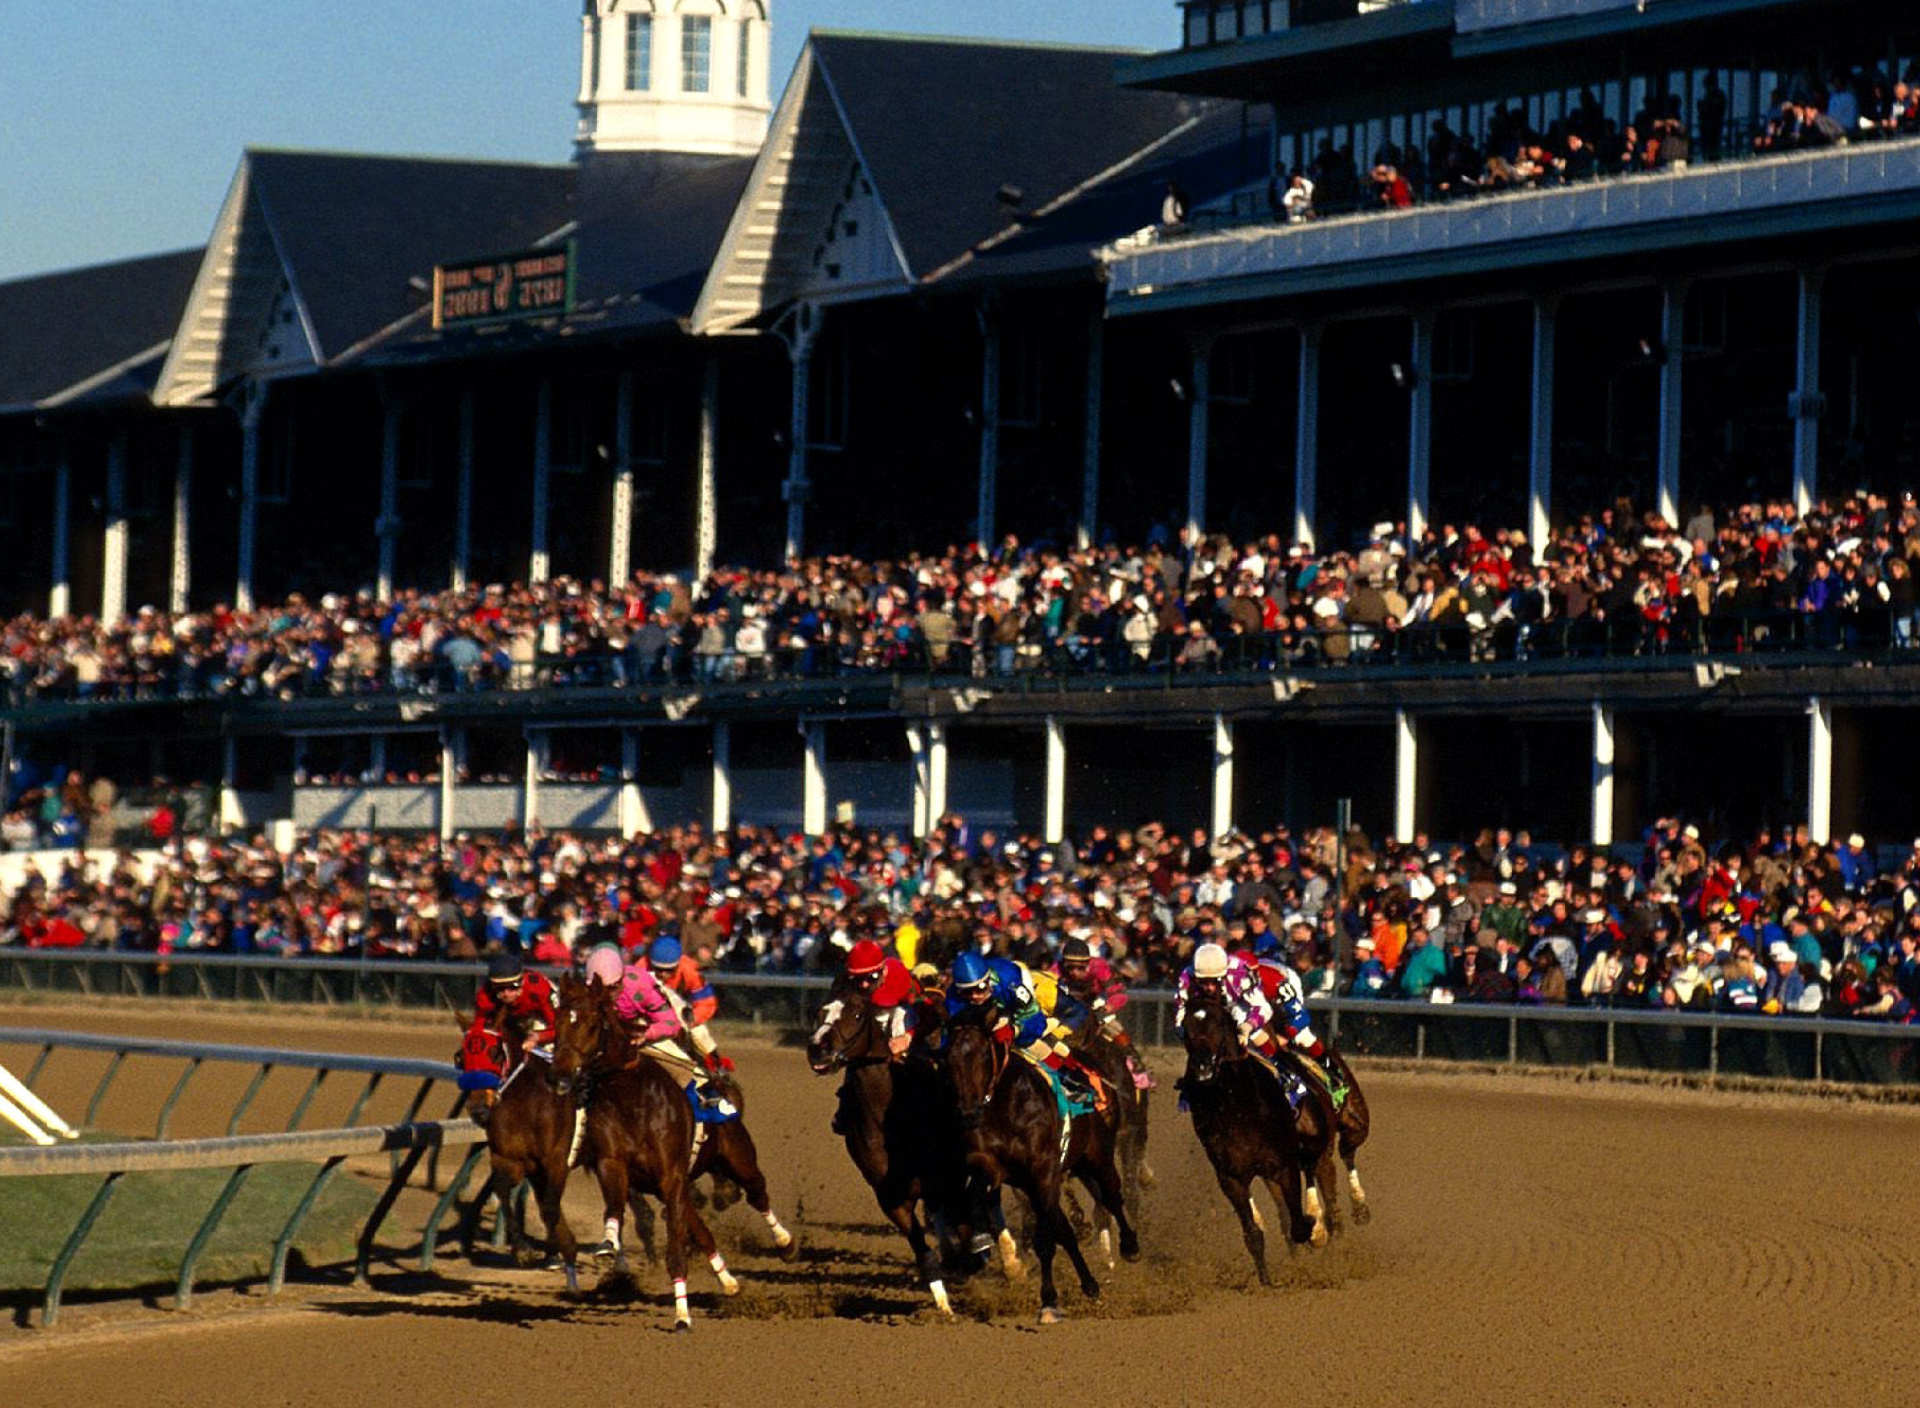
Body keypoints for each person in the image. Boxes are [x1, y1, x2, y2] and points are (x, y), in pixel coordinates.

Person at [947, 951, 1104, 1110]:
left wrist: (1014, 1030)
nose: (975, 996)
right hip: (988, 1011)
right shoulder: (953, 997)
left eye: (980, 988)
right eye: (967, 992)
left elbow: (1036, 1022)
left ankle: (1070, 1082)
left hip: (1015, 1002)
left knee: (1028, 1042)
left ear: (988, 980)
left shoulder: (1010, 985)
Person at [1246, 932, 1345, 1097]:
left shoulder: (1274, 980)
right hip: (1262, 989)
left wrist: (1289, 1033)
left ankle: (1332, 1073)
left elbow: (1300, 1016)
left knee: (1301, 1036)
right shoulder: (1229, 983)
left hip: (1284, 982)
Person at [646, 935, 729, 1071]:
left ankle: (716, 1065)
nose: (663, 974)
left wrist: (693, 1018)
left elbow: (706, 1003)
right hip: (649, 1013)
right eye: (658, 969)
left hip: (679, 1014)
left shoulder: (690, 971)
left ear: (678, 964)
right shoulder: (641, 968)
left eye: (669, 970)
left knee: (699, 1031)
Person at [843, 937, 922, 1059]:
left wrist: (907, 1036)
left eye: (871, 977)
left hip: (900, 1016)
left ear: (884, 971)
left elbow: (913, 1009)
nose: (864, 984)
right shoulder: (849, 985)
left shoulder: (898, 974)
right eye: (858, 978)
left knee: (900, 1013)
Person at [467, 952, 557, 1057]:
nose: (506, 993)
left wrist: (539, 1036)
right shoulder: (485, 997)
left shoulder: (539, 989)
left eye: (512, 987)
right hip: (510, 1020)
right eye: (499, 988)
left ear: (522, 982)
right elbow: (480, 1030)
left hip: (539, 1017)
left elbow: (559, 1027)